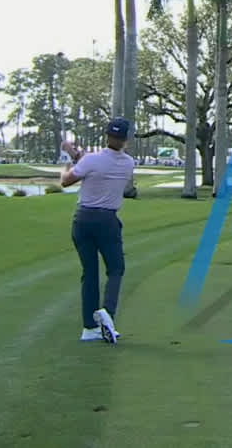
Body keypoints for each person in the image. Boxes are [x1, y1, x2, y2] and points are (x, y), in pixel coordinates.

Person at [59, 117, 137, 344]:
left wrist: (68, 159)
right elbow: (95, 164)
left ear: (106, 136)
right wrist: (76, 155)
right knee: (115, 269)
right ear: (125, 140)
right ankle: (108, 314)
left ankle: (89, 328)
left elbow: (66, 181)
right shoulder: (128, 163)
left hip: (82, 220)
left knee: (89, 273)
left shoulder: (91, 160)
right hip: (107, 221)